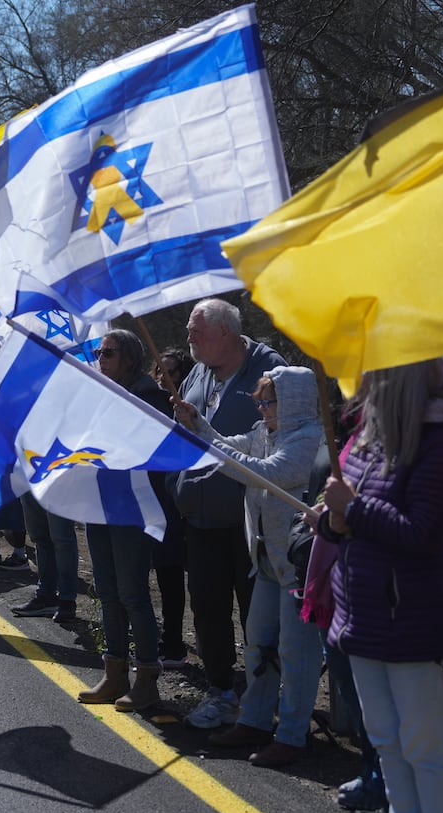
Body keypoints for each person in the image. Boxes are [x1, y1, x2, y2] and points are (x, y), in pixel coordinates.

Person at [323, 359, 443, 813]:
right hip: (364, 615)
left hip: (413, 621)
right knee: (387, 741)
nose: (362, 378)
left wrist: (351, 511)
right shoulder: (368, 431)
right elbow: (341, 515)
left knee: (426, 746)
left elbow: (426, 532)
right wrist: (330, 520)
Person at [175, 366, 325, 769]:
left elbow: (266, 472)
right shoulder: (265, 432)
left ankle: (292, 735)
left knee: (296, 653)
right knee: (259, 644)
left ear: (292, 400)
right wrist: (197, 422)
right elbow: (228, 445)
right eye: (258, 401)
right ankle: (255, 721)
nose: (261, 408)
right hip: (266, 561)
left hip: (297, 566)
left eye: (268, 400)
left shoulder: (310, 439)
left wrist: (212, 444)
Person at [170, 298, 286, 728]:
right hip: (200, 519)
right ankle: (220, 691)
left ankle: (263, 703)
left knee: (257, 615)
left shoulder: (269, 369)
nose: (189, 339)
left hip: (250, 523)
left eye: (197, 331)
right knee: (208, 610)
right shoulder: (199, 370)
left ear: (227, 333)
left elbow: (284, 440)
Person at [77, 329, 173, 713]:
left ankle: (146, 679)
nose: (101, 358)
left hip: (132, 506)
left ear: (130, 357)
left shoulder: (149, 396)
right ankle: (114, 672)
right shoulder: (104, 392)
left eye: (109, 353)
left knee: (133, 593)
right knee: (107, 590)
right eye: (99, 352)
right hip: (100, 503)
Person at [153, 347, 190, 668]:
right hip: (159, 505)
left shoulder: (187, 409)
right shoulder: (150, 405)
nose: (163, 378)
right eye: (159, 372)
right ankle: (171, 639)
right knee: (166, 576)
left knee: (181, 579)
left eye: (171, 373)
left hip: (185, 506)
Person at [12, 494, 83, 624]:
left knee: (62, 539)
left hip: (59, 481)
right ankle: (46, 596)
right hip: (31, 479)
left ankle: (67, 601)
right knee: (40, 538)